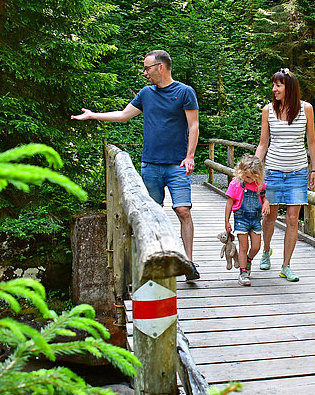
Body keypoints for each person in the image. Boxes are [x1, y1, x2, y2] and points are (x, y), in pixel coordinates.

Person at [71, 49, 201, 281]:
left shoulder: (184, 92)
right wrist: (92, 115)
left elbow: (193, 126)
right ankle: (152, 261)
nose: (145, 73)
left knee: (183, 211)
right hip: (150, 164)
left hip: (177, 164)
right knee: (150, 213)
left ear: (160, 67)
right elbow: (123, 115)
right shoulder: (146, 94)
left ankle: (189, 263)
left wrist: (189, 156)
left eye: (147, 68)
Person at [254, 68, 315, 282]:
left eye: (278, 85)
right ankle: (266, 250)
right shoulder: (268, 110)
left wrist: (314, 169)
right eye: (273, 85)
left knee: (292, 220)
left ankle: (286, 265)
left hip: (297, 172)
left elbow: (311, 141)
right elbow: (263, 144)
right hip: (272, 170)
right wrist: (254, 168)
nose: (274, 89)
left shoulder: (306, 109)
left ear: (289, 87)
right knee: (269, 216)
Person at [224, 155, 270, 286]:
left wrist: (266, 202)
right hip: (241, 219)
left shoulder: (259, 185)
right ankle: (243, 272)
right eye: (246, 176)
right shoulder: (236, 184)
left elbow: (264, 197)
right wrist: (226, 221)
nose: (248, 179)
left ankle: (248, 260)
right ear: (240, 171)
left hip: (255, 219)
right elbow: (229, 203)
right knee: (244, 246)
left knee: (256, 246)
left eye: (251, 177)